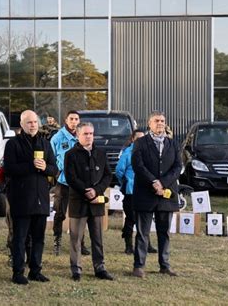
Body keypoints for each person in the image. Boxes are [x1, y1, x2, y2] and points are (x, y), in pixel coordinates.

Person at [4, 110, 58, 285]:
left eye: (35, 122)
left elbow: (54, 169)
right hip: (21, 197)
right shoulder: (13, 144)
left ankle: (36, 270)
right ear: (22, 124)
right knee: (20, 237)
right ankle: (18, 272)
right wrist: (31, 166)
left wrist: (44, 168)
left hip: (41, 197)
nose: (33, 125)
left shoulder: (45, 143)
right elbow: (10, 169)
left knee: (38, 237)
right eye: (29, 122)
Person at [131, 111, 182, 278]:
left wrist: (163, 183)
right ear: (149, 124)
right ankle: (139, 266)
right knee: (143, 232)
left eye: (162, 121)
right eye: (156, 121)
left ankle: (165, 265)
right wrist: (154, 182)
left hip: (166, 195)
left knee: (164, 232)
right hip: (146, 193)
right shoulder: (140, 143)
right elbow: (138, 165)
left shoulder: (173, 144)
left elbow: (177, 167)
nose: (160, 123)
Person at [64, 122, 114, 282]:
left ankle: (100, 268)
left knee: (98, 238)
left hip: (97, 203)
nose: (89, 137)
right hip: (78, 202)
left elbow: (108, 175)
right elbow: (71, 177)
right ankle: (76, 269)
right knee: (76, 238)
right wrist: (86, 191)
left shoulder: (100, 153)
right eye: (85, 134)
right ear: (78, 135)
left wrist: (97, 190)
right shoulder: (70, 154)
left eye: (91, 133)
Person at [50, 110, 89, 256]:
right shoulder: (57, 138)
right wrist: (57, 173)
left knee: (80, 214)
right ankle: (57, 242)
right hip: (63, 182)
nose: (74, 121)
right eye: (71, 119)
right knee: (60, 213)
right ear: (66, 120)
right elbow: (51, 158)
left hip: (79, 182)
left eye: (76, 119)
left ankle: (81, 243)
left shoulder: (82, 136)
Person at [116, 130, 157, 255]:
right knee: (131, 218)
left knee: (145, 218)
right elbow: (119, 171)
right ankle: (128, 246)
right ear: (133, 139)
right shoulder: (127, 153)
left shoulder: (149, 153)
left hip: (145, 190)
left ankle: (147, 244)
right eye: (138, 138)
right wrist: (126, 183)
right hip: (131, 192)